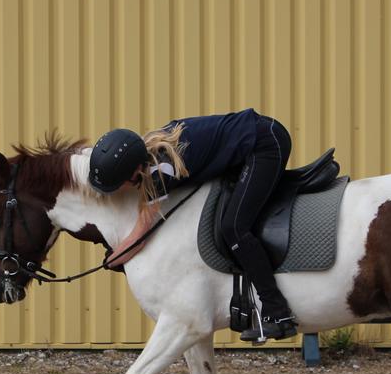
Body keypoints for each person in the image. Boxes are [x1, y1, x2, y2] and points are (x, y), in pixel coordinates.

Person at [87, 109, 297, 342]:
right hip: (253, 137)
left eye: (118, 185)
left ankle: (278, 314)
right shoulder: (149, 148)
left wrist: (112, 259)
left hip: (265, 144)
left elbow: (140, 235)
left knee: (234, 228)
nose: (118, 191)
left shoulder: (160, 171)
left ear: (134, 171)